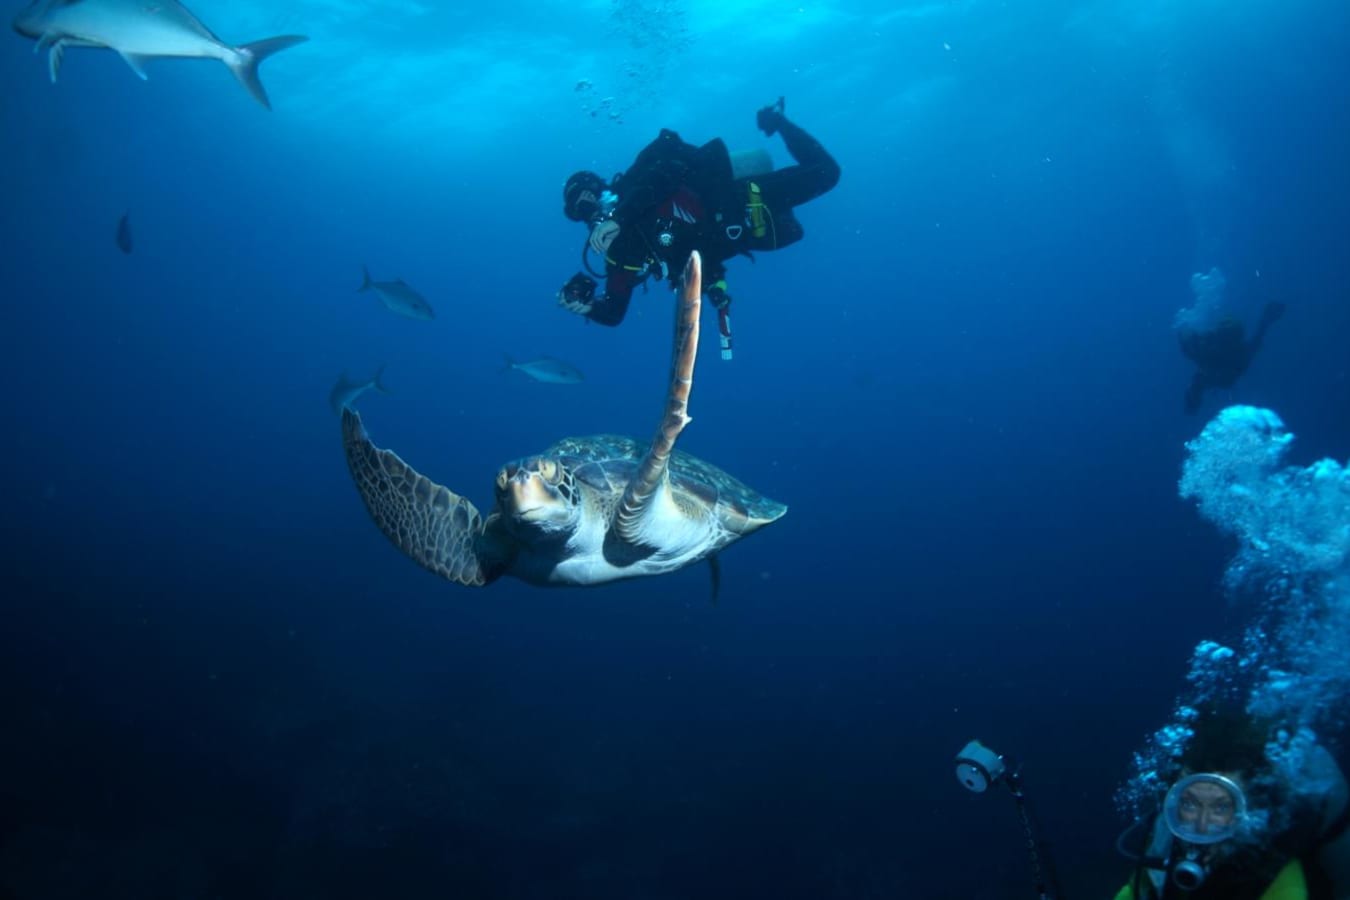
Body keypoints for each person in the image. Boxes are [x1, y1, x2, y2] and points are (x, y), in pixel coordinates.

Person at [557, 97, 839, 353]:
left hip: (740, 200)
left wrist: (621, 217)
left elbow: (671, 169)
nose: (589, 211)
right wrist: (588, 307)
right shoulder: (621, 252)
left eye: (589, 197)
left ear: (602, 189)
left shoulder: (635, 187)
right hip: (739, 236)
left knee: (827, 174)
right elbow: (614, 312)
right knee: (793, 233)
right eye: (579, 209)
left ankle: (777, 120)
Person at [1113, 706, 1350, 900]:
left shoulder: (1275, 874)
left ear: (1246, 809)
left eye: (1221, 807)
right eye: (1190, 804)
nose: (1201, 826)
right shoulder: (1164, 839)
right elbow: (1136, 893)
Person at [1179, 301, 1286, 414]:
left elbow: (1192, 350)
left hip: (1221, 372)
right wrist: (1266, 320)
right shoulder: (1237, 353)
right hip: (1224, 371)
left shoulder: (1213, 351)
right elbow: (1257, 338)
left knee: (1199, 379)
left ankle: (1193, 403)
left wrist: (1186, 338)